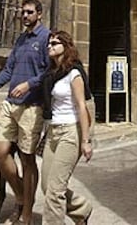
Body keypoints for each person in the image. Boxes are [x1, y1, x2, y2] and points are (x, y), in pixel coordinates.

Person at [0, 0, 49, 225]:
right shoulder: (20, 40)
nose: (24, 16)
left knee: (27, 160)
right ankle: (21, 196)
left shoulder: (46, 38)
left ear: (39, 14)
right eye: (23, 12)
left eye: (29, 12)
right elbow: (8, 70)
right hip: (10, 104)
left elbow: (50, 72)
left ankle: (26, 212)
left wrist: (29, 84)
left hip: (32, 106)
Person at [41, 30, 93, 225]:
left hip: (70, 132)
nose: (50, 46)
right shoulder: (51, 74)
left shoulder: (74, 73)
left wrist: (86, 141)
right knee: (47, 186)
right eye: (49, 43)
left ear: (66, 46)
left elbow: (82, 107)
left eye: (55, 43)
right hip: (53, 133)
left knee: (55, 191)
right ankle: (82, 209)